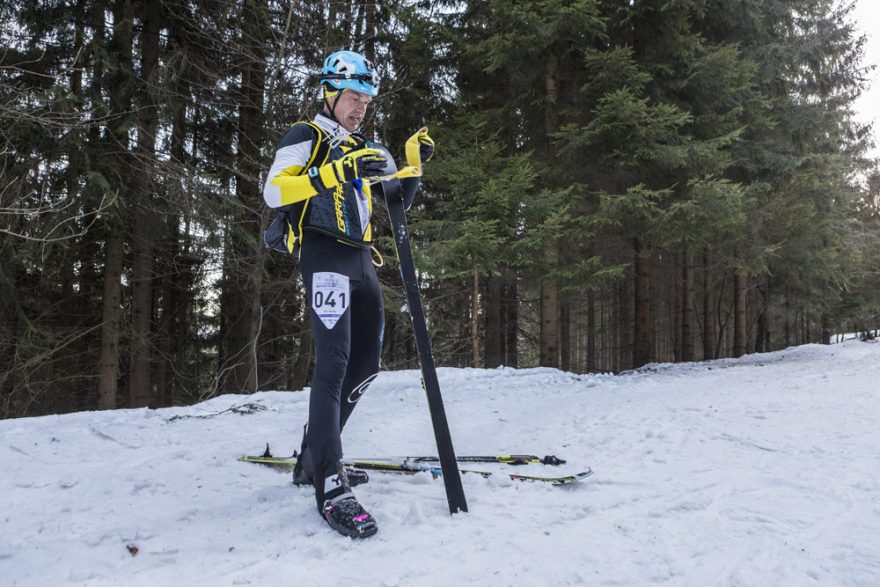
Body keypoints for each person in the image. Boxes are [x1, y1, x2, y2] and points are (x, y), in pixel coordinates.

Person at [261, 50, 431, 539]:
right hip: (325, 255)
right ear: (331, 93)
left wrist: (411, 167)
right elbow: (274, 191)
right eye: (353, 97)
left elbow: (395, 203)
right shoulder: (306, 136)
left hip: (361, 260)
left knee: (366, 365)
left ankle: (313, 460)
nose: (360, 108)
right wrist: (334, 172)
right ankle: (330, 487)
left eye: (366, 100)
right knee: (333, 363)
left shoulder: (364, 146)